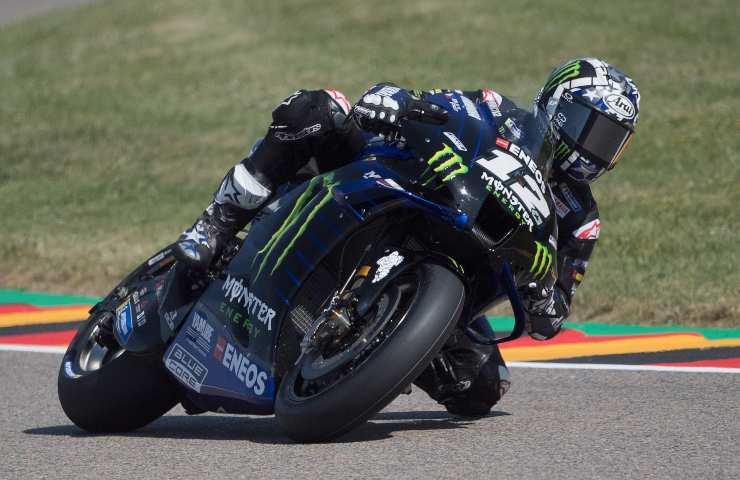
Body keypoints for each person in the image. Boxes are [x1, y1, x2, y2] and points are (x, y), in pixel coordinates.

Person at [173, 58, 641, 416]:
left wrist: (545, 301)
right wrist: (397, 103)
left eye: (612, 142)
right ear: (559, 109)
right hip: (396, 196)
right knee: (319, 110)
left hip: (460, 272)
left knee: (483, 388)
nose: (596, 151)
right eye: (593, 130)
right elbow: (435, 105)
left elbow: (557, 307)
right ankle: (219, 220)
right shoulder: (499, 112)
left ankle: (378, 350)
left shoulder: (580, 218)